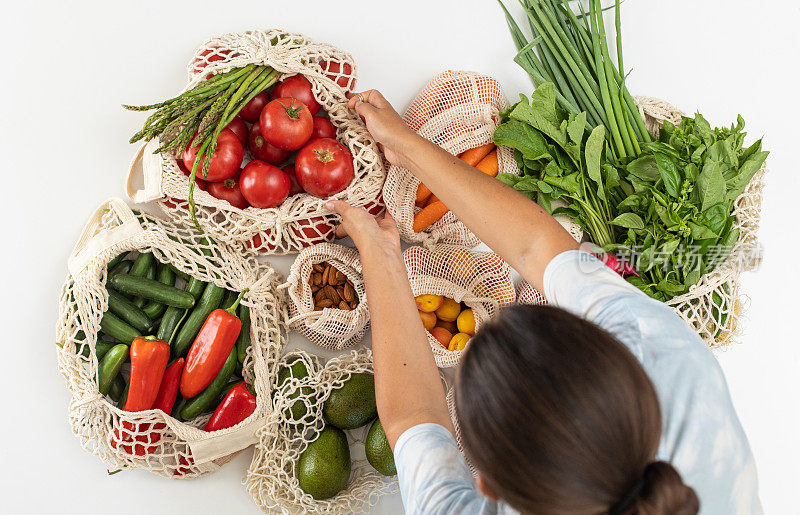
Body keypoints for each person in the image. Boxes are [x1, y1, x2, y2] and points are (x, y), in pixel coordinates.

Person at [326, 89, 760, 514]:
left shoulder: (665, 357)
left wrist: (377, 250)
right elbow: (537, 248)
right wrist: (408, 147)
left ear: (487, 487)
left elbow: (412, 416)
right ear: (616, 351)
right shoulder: (664, 355)